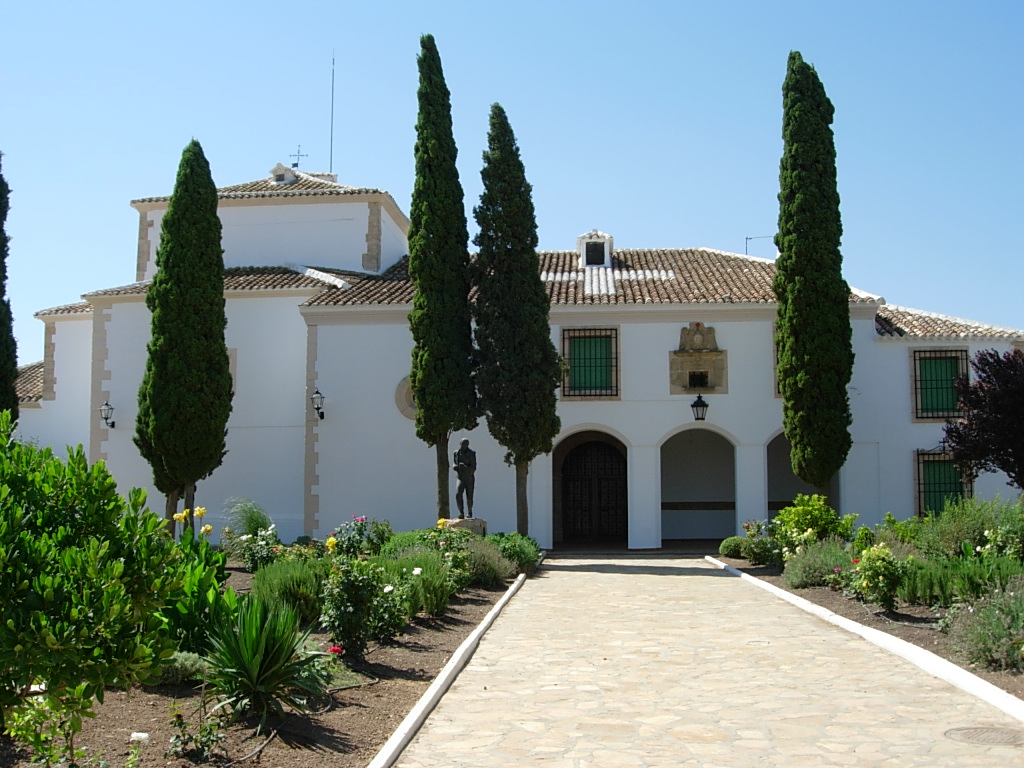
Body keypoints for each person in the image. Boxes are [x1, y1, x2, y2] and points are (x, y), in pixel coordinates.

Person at [452, 438, 476, 519]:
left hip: (469, 478)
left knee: (469, 496)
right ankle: (461, 512)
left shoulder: (471, 453)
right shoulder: (456, 453)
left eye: (466, 444)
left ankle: (469, 512)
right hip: (460, 477)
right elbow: (454, 463)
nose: (464, 446)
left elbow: (473, 468)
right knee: (458, 494)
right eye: (463, 444)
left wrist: (465, 467)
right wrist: (455, 467)